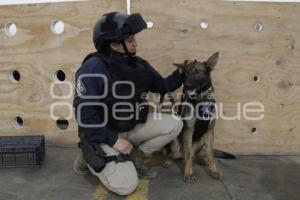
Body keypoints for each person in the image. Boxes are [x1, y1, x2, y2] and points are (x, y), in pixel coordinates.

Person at [72, 11, 183, 195]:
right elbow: (85, 115)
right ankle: (87, 155)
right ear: (114, 44)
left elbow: (162, 85)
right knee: (127, 186)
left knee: (175, 123)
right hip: (104, 134)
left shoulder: (139, 64)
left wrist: (182, 73)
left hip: (131, 126)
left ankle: (136, 155)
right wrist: (114, 140)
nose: (135, 43)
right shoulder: (93, 68)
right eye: (130, 40)